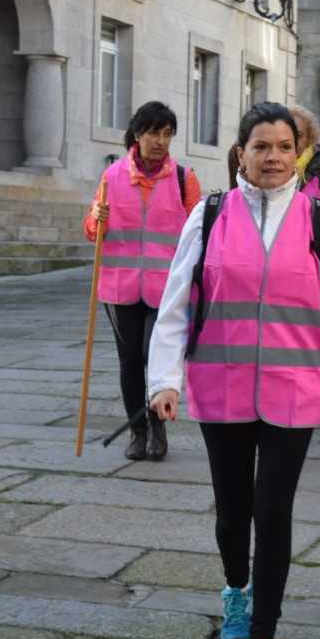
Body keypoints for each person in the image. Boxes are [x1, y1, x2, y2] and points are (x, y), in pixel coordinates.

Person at [145, 102, 320, 639]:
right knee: (231, 508)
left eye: (284, 147)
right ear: (241, 153)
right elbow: (175, 306)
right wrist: (164, 381)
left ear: (300, 153)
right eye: (261, 147)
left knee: (273, 511)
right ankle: (235, 589)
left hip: (294, 388)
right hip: (222, 386)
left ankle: (264, 636)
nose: (273, 157)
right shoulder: (210, 215)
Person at [85, 102, 201, 462]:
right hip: (120, 288)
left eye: (168, 134)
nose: (161, 141)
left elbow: (200, 231)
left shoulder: (184, 179)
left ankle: (157, 425)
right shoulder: (112, 177)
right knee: (130, 361)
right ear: (138, 134)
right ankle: (138, 432)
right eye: (154, 133)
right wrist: (97, 220)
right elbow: (92, 230)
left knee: (156, 355)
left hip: (166, 291)